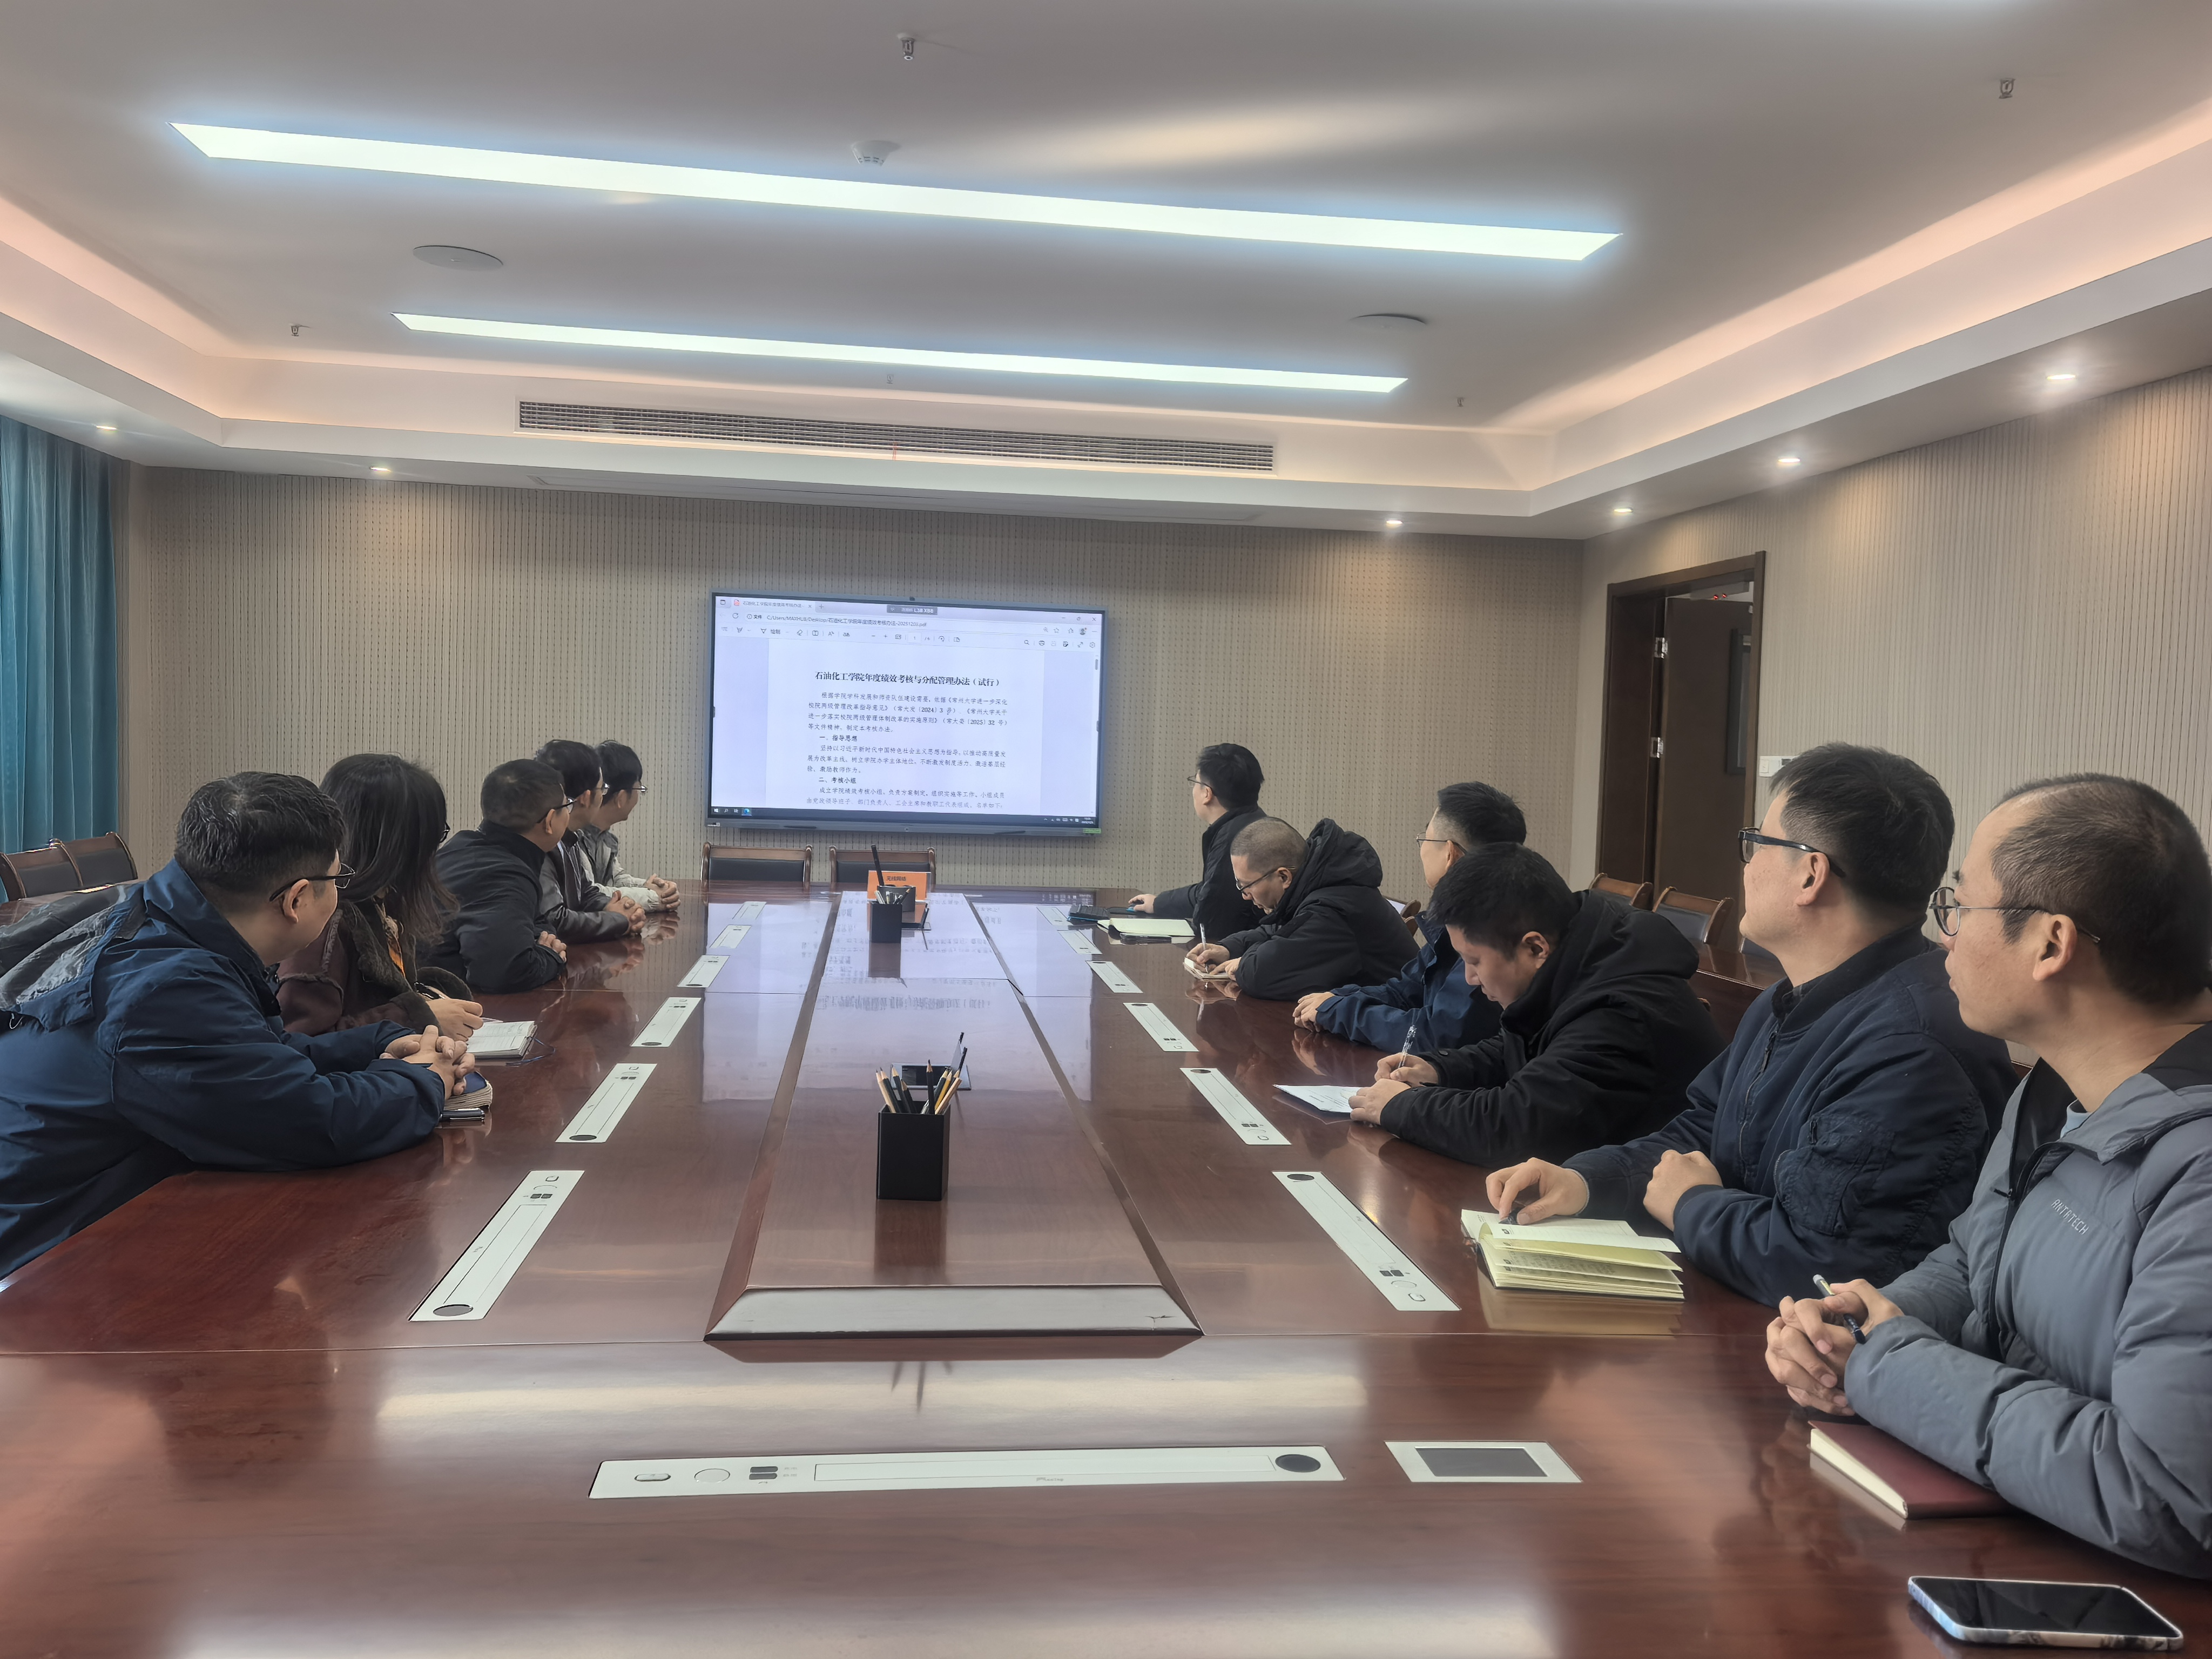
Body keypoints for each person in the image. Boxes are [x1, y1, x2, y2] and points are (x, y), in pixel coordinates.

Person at [1765, 775, 2212, 1578]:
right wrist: (1869, 1320)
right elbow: (1977, 1256)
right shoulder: (2057, 1087)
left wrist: (1886, 1365)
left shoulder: (2197, 1173)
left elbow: (2168, 1498)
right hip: (2019, 1539)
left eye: (1959, 907)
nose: (1944, 939)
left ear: (2050, 943)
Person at [1487, 744, 2016, 1309]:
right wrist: (1589, 1181)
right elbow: (1706, 1128)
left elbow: (1824, 1268)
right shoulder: (1788, 999)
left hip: (1802, 1347)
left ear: (1810, 873)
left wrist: (1692, 1206)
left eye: (1758, 842)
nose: (1746, 863)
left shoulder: (1912, 1051)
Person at [0, 772, 459, 1277]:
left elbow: (250, 1062)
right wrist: (424, 1080)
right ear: (297, 899)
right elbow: (308, 1123)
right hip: (40, 1262)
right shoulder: (165, 988)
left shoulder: (161, 920)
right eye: (337, 880)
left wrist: (380, 1045)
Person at [1348, 844, 1723, 1164]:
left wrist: (1403, 1106)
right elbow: (1520, 1045)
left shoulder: (1619, 1012)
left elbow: (1516, 1128)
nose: (1470, 978)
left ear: (1535, 948)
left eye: (1475, 961)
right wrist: (1439, 1069)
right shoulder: (1579, 953)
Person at [1294, 781, 1525, 1054]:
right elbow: (1406, 991)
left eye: (1426, 838)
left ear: (1450, 854)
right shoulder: (1458, 914)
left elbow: (1435, 1035)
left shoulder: (1493, 930)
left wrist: (1341, 1011)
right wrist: (1338, 999)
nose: (1422, 847)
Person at [276, 754, 483, 1041]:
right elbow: (303, 1044)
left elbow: (379, 995)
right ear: (402, 844)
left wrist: (428, 998)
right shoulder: (324, 920)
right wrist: (417, 1017)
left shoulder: (379, 900)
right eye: (435, 836)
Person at [1184, 816, 1415, 999]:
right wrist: (1229, 948)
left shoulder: (1332, 909)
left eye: (1248, 886)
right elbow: (1280, 931)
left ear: (1283, 877)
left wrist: (1244, 963)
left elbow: (1262, 975)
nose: (1245, 896)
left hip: (1398, 1030)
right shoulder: (1317, 884)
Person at [426, 759, 572, 993]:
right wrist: (550, 955)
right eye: (567, 807)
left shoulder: (464, 846)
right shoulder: (503, 875)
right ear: (549, 822)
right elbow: (505, 972)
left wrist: (539, 942)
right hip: (440, 1001)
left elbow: (538, 924)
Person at [1131, 743, 1266, 941]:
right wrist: (1159, 903)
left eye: (1195, 782)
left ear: (1207, 794)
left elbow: (1212, 917)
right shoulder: (1253, 823)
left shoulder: (1236, 839)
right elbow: (1210, 890)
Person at [534, 739, 640, 942]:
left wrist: (612, 906)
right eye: (603, 789)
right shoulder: (542, 840)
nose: (603, 797)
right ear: (586, 797)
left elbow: (585, 892)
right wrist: (618, 920)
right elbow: (555, 920)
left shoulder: (571, 835)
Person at [575, 740, 679, 914]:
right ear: (621, 798)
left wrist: (650, 887)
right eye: (639, 789)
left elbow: (616, 878)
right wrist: (654, 898)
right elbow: (590, 893)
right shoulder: (574, 837)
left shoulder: (604, 837)